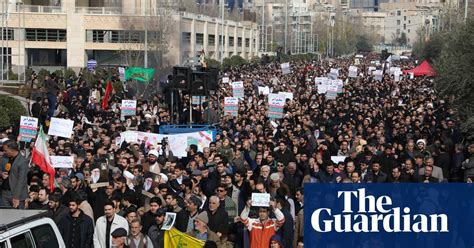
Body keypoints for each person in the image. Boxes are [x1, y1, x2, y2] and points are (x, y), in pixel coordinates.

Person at [1, 140, 29, 208]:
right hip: (4, 193)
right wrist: (1, 173)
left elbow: (21, 180)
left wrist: (16, 197)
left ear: (12, 149)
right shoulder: (4, 158)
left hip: (16, 194)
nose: (4, 152)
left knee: (17, 216)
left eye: (6, 150)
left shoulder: (22, 161)